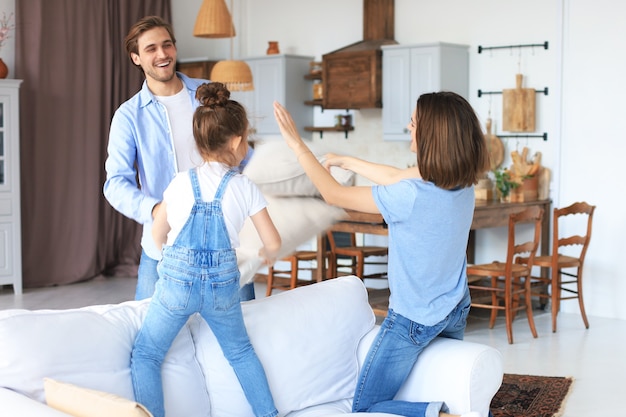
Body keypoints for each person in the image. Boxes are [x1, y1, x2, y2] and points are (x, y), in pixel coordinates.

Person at [273, 91, 489, 417]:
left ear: (432, 135)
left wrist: (298, 147)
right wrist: (347, 161)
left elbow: (334, 194)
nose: (408, 126)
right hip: (455, 307)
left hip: (412, 320)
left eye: (414, 122)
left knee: (367, 408)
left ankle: (439, 415)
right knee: (447, 380)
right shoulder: (461, 185)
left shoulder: (411, 196)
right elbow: (395, 176)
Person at [131, 82, 281, 417]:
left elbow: (157, 236)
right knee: (241, 353)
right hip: (223, 288)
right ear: (238, 141)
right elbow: (272, 242)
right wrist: (264, 255)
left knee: (147, 353)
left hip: (176, 285)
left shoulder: (181, 182)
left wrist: (169, 259)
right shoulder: (245, 188)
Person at [103, 16, 256, 301]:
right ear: (136, 58)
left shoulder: (208, 94)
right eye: (151, 49)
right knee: (150, 331)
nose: (162, 55)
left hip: (225, 241)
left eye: (167, 45)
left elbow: (243, 153)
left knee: (242, 325)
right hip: (163, 246)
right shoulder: (128, 116)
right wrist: (155, 210)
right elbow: (115, 184)